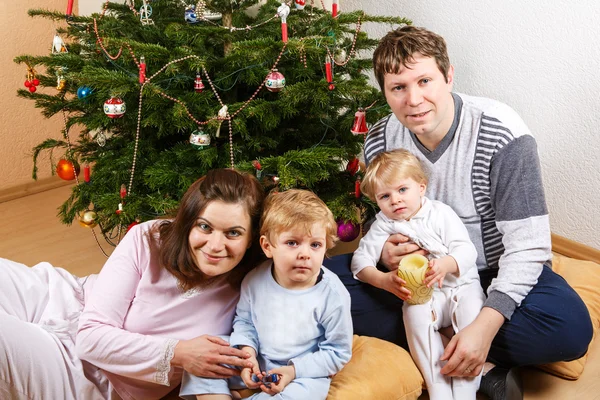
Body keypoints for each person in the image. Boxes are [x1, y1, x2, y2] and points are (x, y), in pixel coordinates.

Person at [358, 25, 593, 399]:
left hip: (491, 269)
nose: (414, 99)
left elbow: (529, 247)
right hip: (420, 281)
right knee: (324, 293)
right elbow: (379, 217)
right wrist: (385, 254)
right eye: (398, 88)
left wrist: (484, 326)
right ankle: (476, 363)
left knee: (569, 331)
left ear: (449, 76)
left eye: (424, 81)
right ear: (385, 92)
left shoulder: (502, 135)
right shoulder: (379, 140)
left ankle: (442, 341)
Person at [0, 168, 265, 400]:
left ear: (252, 237)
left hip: (88, 376)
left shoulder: (253, 288)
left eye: (233, 233)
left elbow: (89, 343)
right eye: (205, 227)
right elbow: (92, 333)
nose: (216, 246)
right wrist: (180, 352)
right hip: (68, 298)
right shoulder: (149, 237)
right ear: (188, 223)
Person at [180, 189, 353, 400]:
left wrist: (293, 371)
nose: (305, 254)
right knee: (207, 357)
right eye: (292, 243)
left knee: (303, 395)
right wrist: (247, 355)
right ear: (267, 246)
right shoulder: (255, 280)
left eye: (315, 245)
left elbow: (337, 352)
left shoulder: (333, 295)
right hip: (258, 358)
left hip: (301, 372)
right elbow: (245, 322)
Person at [351, 149, 486, 400]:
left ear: (421, 187)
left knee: (471, 318)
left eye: (403, 190)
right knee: (413, 314)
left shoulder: (441, 213)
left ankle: (467, 389)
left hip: (462, 287)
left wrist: (446, 264)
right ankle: (438, 387)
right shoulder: (384, 223)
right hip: (425, 295)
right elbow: (359, 262)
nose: (395, 201)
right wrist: (382, 280)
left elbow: (467, 251)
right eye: (385, 196)